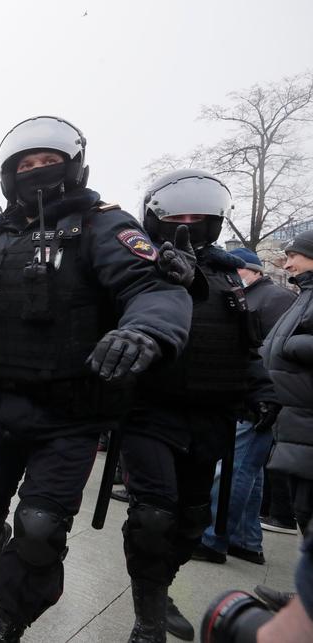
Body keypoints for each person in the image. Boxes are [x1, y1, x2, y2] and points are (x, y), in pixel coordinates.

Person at [0, 116, 192, 642]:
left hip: (71, 416)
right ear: (9, 177)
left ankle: (8, 621)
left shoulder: (104, 225)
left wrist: (145, 331)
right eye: (25, 165)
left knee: (39, 530)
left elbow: (152, 288)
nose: (36, 171)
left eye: (47, 162)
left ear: (74, 168)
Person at [120, 170, 277, 643]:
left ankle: (158, 587)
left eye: (197, 217)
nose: (185, 225)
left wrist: (260, 389)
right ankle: (148, 621)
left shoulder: (228, 274)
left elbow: (242, 345)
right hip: (149, 409)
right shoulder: (135, 264)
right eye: (177, 216)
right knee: (152, 516)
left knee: (191, 523)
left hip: (210, 413)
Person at [193, 247, 296, 564]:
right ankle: (246, 541)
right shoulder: (263, 296)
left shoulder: (274, 298)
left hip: (265, 393)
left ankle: (213, 537)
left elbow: (268, 349)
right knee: (249, 469)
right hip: (263, 391)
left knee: (236, 467)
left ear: (252, 271)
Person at [262, 230, 313, 536]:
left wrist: (292, 346)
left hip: (306, 422)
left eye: (293, 256)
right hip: (296, 420)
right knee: (304, 511)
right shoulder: (305, 294)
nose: (287, 264)